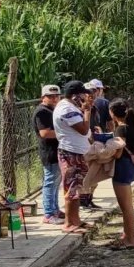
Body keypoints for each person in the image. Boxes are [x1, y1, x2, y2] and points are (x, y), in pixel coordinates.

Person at [53, 80, 94, 234]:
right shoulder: (66, 109)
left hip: (78, 152)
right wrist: (87, 111)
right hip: (71, 153)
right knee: (71, 188)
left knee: (77, 188)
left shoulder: (71, 107)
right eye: (83, 94)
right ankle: (69, 224)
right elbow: (83, 129)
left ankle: (76, 220)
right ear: (75, 95)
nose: (85, 96)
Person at [107, 99, 134, 250]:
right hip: (130, 166)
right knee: (128, 206)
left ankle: (131, 240)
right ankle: (127, 236)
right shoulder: (131, 126)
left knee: (126, 208)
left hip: (122, 167)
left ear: (112, 113)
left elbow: (118, 153)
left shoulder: (121, 130)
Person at [33, 85, 65, 224]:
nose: (53, 98)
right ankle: (48, 213)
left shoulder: (53, 109)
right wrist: (65, 134)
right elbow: (45, 133)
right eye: (50, 96)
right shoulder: (42, 112)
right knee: (50, 182)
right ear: (43, 97)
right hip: (49, 151)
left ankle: (55, 209)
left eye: (56, 96)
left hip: (57, 150)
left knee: (56, 183)